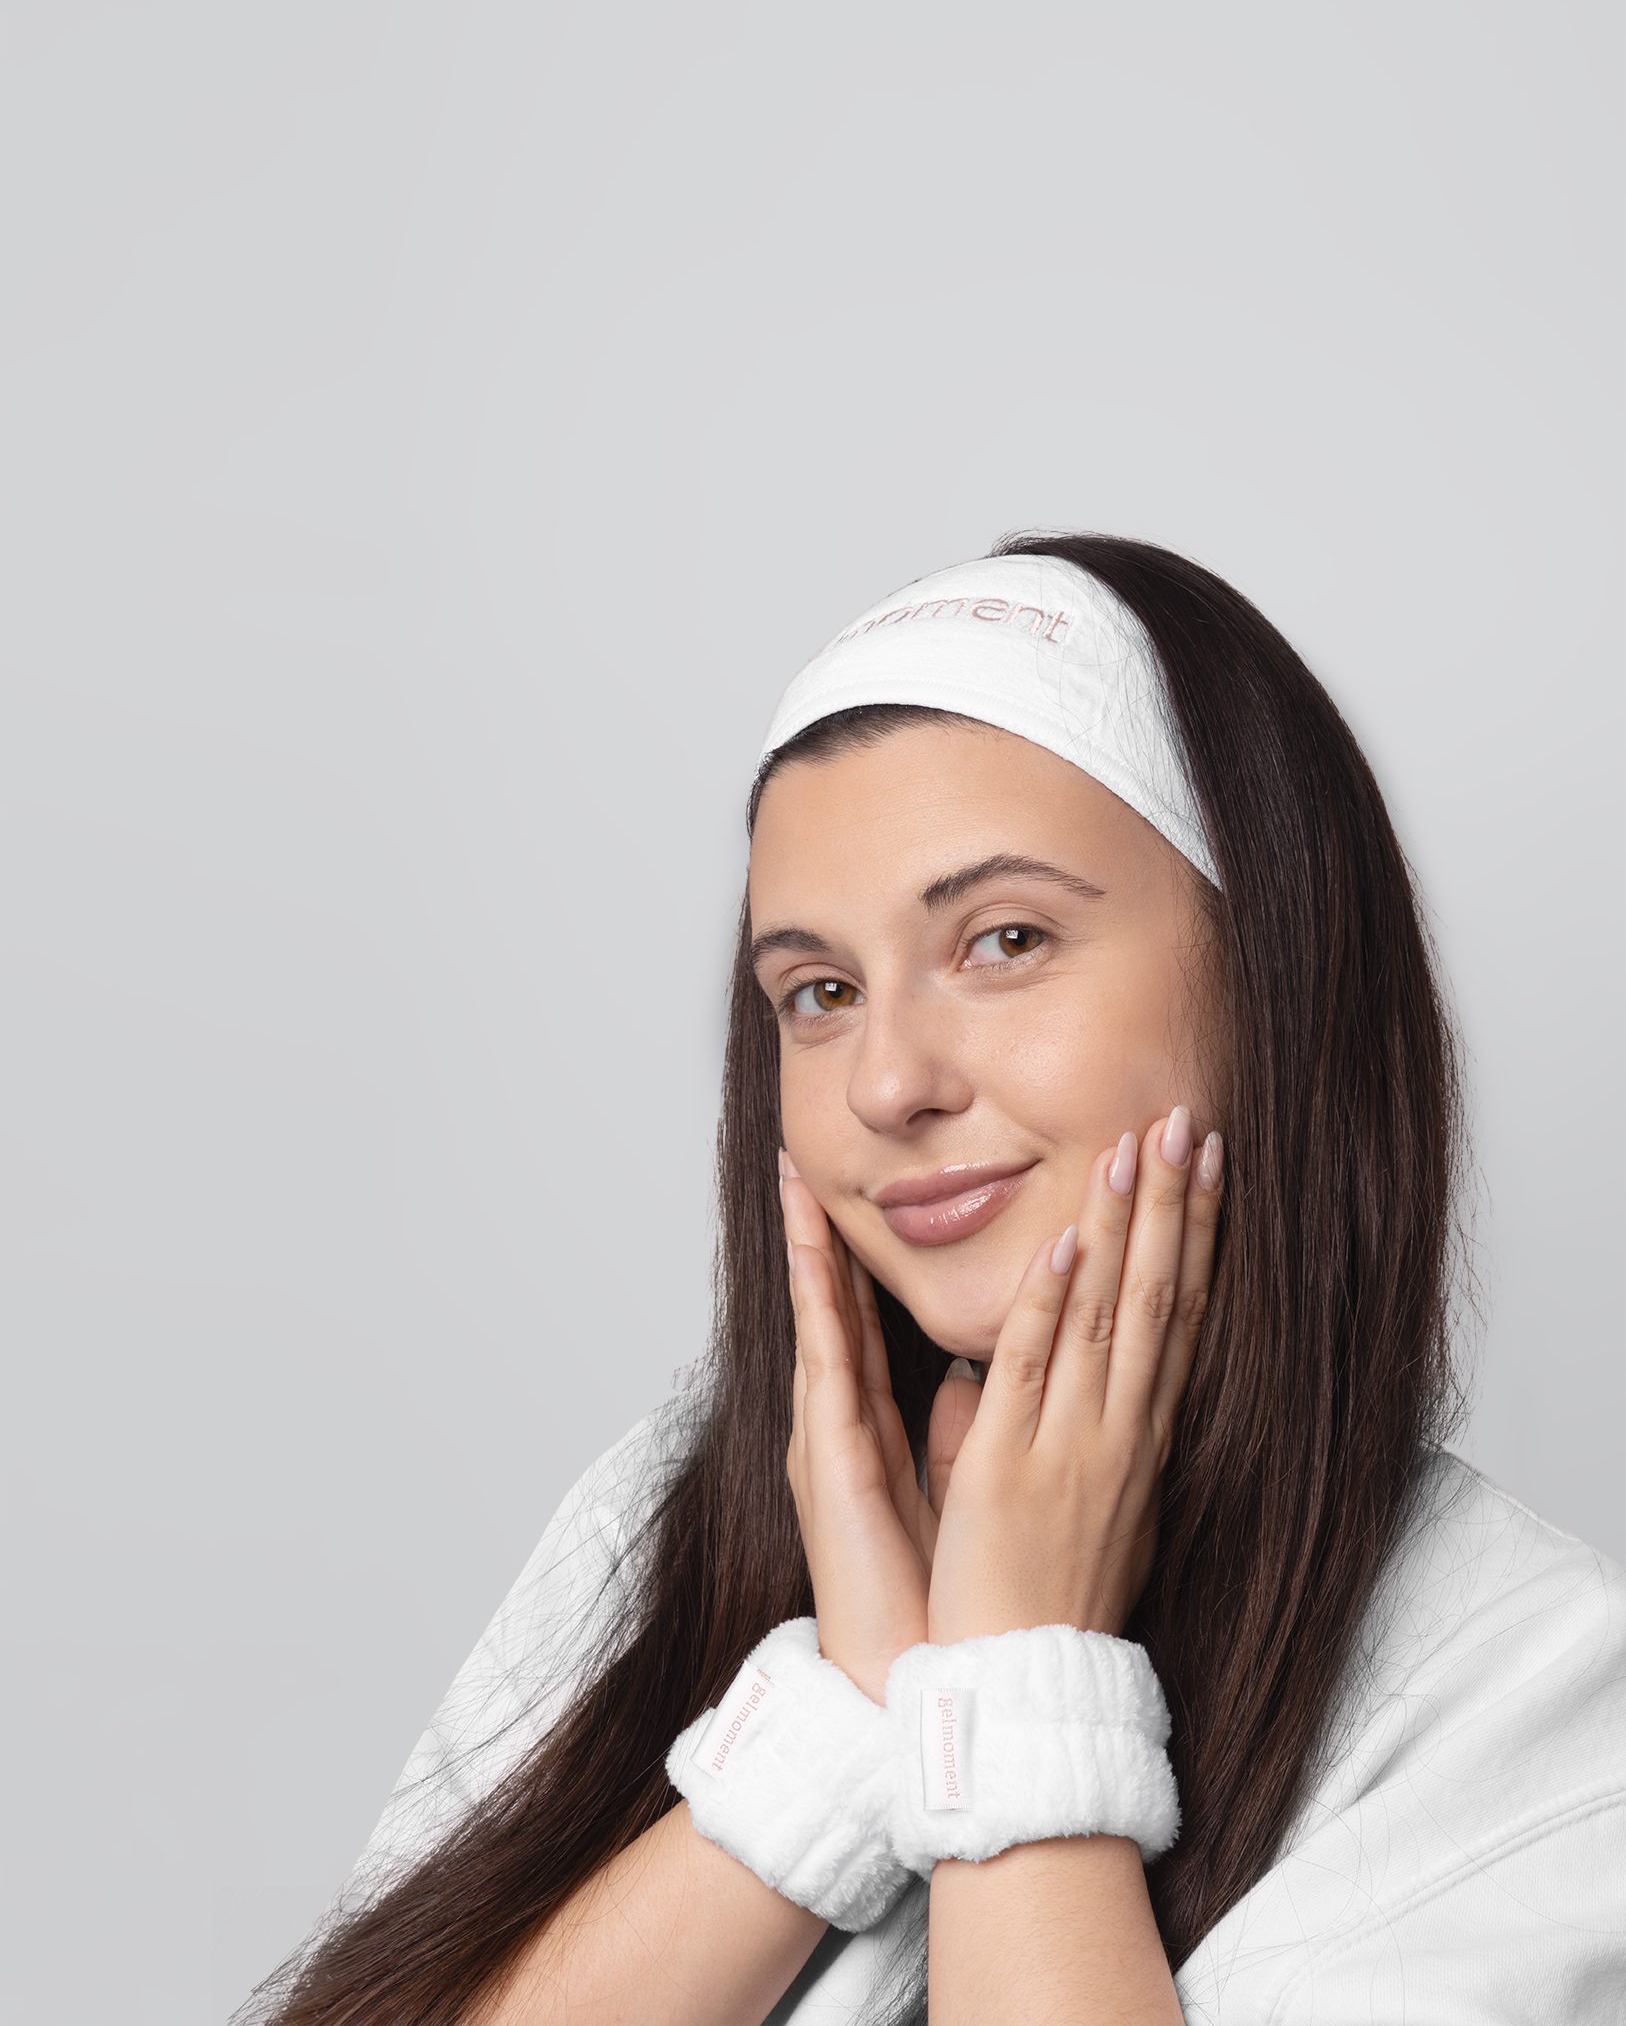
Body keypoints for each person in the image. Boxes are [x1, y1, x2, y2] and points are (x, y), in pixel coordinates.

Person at [249, 535, 1625, 2026]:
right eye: (820, 992)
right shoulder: (653, 1516)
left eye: (1004, 939)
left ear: (1278, 977)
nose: (886, 1082)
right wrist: (843, 1715)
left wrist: (1024, 1677)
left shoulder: (1545, 1695)